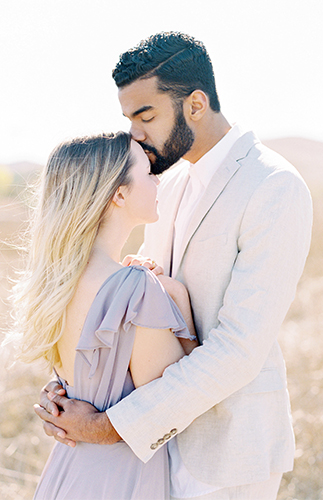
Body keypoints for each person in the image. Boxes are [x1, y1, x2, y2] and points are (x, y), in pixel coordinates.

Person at [36, 32, 313, 499]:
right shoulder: (167, 182)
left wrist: (109, 425)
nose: (135, 135)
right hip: (155, 450)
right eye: (129, 119)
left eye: (146, 116)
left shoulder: (275, 187)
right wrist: (77, 388)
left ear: (196, 105)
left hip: (226, 452)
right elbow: (139, 310)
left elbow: (239, 348)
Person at [9, 131, 198, 499]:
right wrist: (178, 298)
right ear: (120, 194)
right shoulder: (135, 289)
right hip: (119, 480)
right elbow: (180, 400)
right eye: (147, 172)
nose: (157, 180)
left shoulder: (57, 282)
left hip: (67, 472)